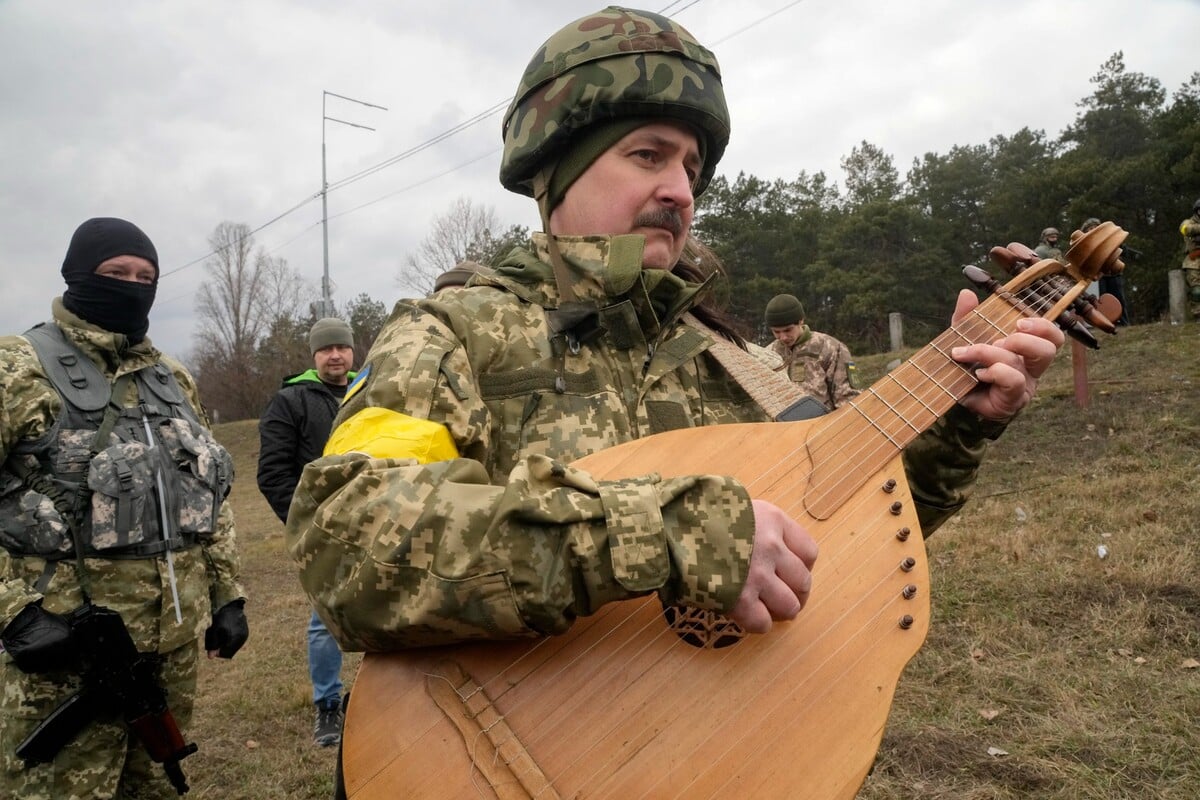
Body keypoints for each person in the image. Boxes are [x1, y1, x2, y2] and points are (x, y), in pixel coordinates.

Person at [284, 6, 1062, 654]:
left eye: (691, 167)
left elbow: (837, 542)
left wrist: (955, 426)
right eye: (648, 155)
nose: (679, 191)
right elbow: (348, 545)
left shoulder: (738, 361)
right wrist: (662, 534)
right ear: (556, 168)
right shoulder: (450, 333)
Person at [0, 217, 248, 798]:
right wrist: (13, 611)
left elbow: (211, 496)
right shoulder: (18, 367)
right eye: (116, 273)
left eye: (146, 276)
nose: (132, 285)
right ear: (77, 274)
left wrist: (227, 594)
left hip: (170, 646)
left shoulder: (173, 378)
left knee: (154, 790)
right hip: (65, 648)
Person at [257, 317, 356, 746]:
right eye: (325, 349)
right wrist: (305, 523)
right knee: (325, 620)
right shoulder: (291, 400)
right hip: (324, 530)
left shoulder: (372, 389)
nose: (335, 355)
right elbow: (273, 473)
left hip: (382, 522)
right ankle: (328, 707)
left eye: (342, 347)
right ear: (313, 356)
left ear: (353, 351)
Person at [764, 293, 859, 410]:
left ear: (801, 321)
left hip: (824, 424)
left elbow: (849, 399)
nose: (783, 337)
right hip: (782, 426)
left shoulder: (830, 348)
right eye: (776, 332)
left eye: (788, 330)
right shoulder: (767, 355)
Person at [1077, 217, 1130, 325]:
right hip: (1098, 275)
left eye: (1095, 227)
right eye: (1090, 228)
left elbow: (1123, 251)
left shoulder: (1109, 238)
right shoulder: (1085, 243)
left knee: (1119, 298)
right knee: (1101, 301)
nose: (1093, 229)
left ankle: (1124, 323)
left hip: (1114, 274)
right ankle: (1105, 323)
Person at [1180, 198, 1200, 320]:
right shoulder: (1187, 222)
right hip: (1194, 261)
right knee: (1197, 290)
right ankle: (1198, 314)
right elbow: (1185, 229)